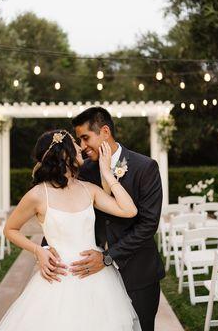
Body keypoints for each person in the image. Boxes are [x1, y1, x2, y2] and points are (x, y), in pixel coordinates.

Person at [0, 130, 141, 331]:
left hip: (96, 281)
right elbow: (10, 229)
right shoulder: (38, 195)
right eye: (74, 142)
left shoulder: (89, 189)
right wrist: (39, 251)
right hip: (57, 279)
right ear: (64, 153)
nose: (80, 147)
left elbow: (129, 210)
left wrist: (107, 173)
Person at [42, 108, 165, 331]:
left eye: (85, 137)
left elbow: (148, 225)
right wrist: (45, 247)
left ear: (105, 131)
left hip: (137, 273)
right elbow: (62, 207)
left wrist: (108, 257)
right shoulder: (83, 170)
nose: (81, 146)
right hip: (91, 278)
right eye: (79, 139)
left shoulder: (145, 167)